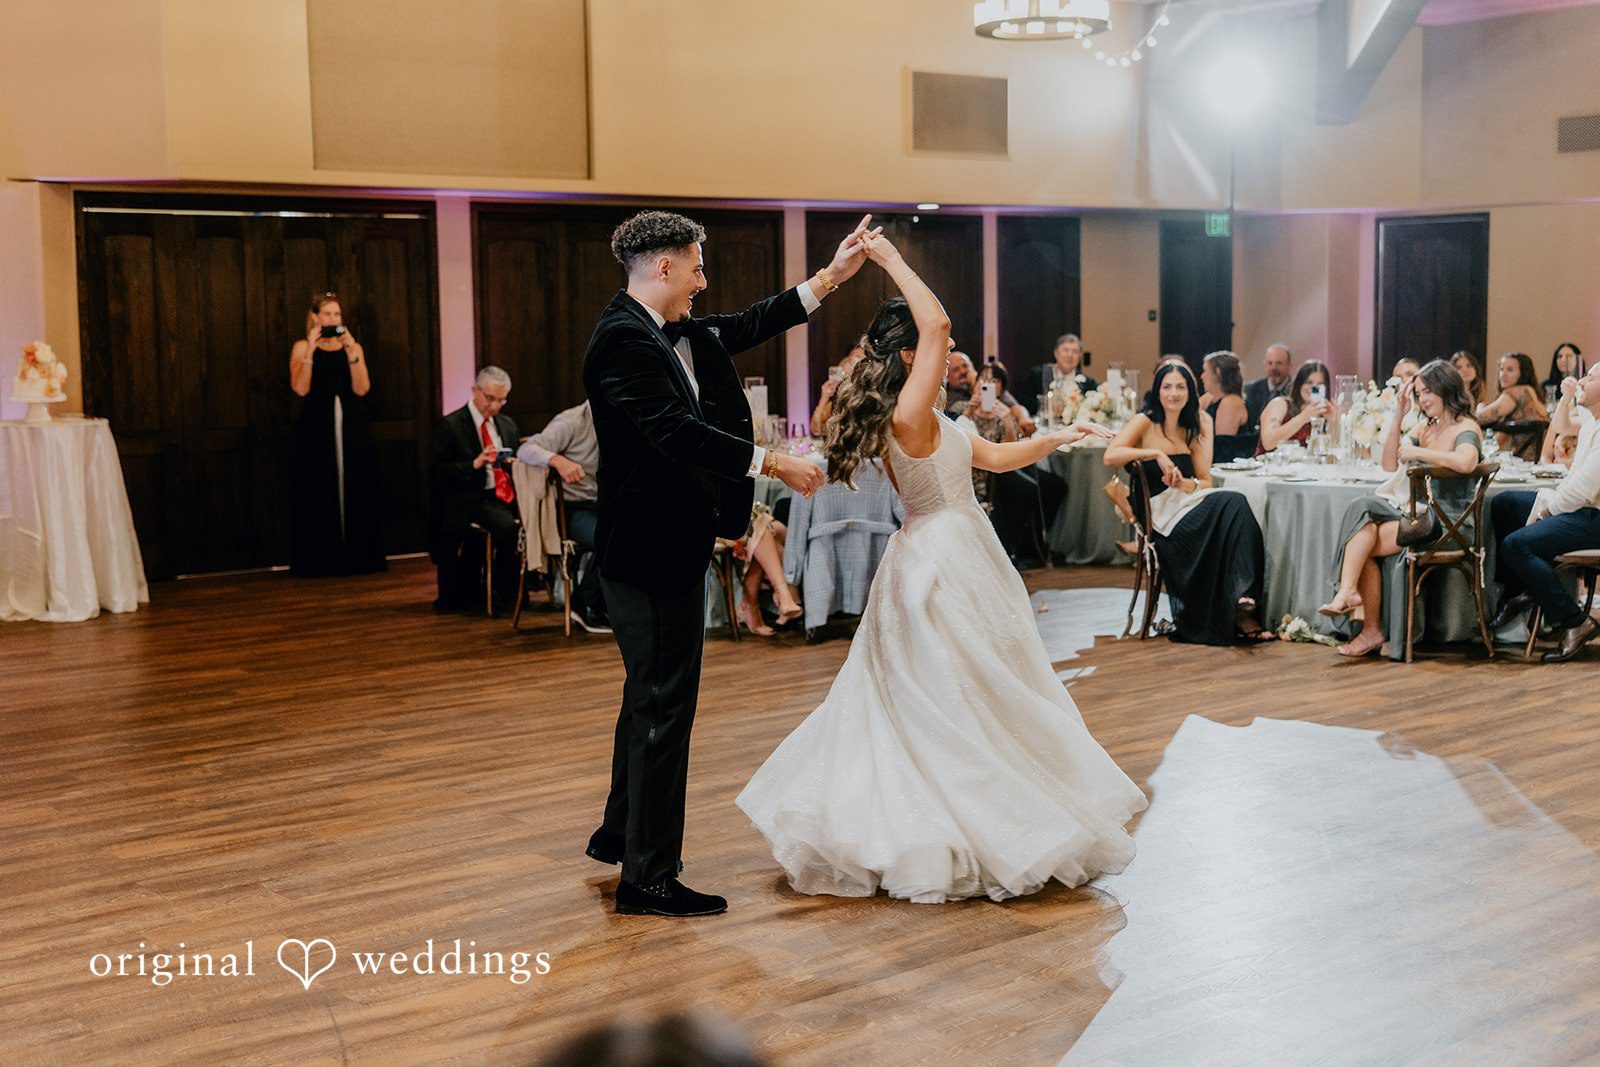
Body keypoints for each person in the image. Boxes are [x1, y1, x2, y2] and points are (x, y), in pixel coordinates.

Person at [738, 232, 1146, 904]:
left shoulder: (930, 416)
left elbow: (990, 458)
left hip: (944, 549)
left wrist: (1058, 437)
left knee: (964, 692)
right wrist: (890, 259)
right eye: (937, 352)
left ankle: (968, 814)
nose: (951, 355)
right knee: (955, 693)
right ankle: (964, 826)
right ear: (910, 355)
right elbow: (938, 321)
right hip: (943, 557)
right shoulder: (907, 413)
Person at [582, 209, 857, 918]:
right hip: (644, 553)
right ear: (664, 267)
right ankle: (648, 877)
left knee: (648, 699)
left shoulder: (677, 332)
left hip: (665, 543)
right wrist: (773, 462)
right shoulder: (621, 340)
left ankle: (621, 834)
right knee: (663, 709)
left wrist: (831, 277)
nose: (706, 283)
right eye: (698, 267)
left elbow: (753, 321)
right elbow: (675, 432)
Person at [1319, 360, 1484, 658]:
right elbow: (1389, 464)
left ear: (1444, 388)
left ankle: (1358, 610)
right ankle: (1352, 598)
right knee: (1363, 520)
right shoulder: (1425, 428)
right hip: (1421, 517)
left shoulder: (1466, 426)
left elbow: (1466, 462)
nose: (1422, 399)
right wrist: (1398, 414)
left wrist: (1420, 452)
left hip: (1452, 523)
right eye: (1419, 394)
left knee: (1362, 531)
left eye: (1426, 392)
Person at [1104, 361, 1272, 645]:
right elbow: (1111, 455)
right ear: (1158, 390)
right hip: (1159, 516)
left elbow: (1205, 480)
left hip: (1187, 502)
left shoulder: (1191, 426)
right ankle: (1233, 606)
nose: (1173, 393)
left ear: (1189, 392)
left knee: (1235, 504)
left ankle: (1243, 597)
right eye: (1167, 387)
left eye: (1180, 387)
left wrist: (1184, 483)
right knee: (1232, 505)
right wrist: (1155, 453)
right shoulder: (1145, 421)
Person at [1488, 361, 1600, 663]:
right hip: (1579, 509)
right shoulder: (1593, 421)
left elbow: (1583, 490)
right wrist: (1566, 398)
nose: (1583, 379)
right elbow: (1562, 427)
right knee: (1504, 503)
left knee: (1516, 546)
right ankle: (1518, 591)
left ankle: (1576, 622)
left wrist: (1547, 509)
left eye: (1591, 377)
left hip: (1593, 518)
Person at [288, 291, 384, 576]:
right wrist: (310, 350)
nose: (333, 320)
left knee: (355, 481)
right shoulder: (301, 347)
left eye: (337, 315)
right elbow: (301, 389)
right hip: (316, 423)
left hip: (351, 421)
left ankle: (358, 554)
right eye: (327, 314)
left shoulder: (353, 347)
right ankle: (321, 557)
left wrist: (352, 351)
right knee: (319, 482)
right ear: (315, 317)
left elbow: (362, 389)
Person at [427, 367, 521, 612]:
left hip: (503, 493)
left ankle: (517, 590)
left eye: (501, 400)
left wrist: (512, 464)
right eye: (490, 398)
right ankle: (501, 594)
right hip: (468, 496)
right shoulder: (451, 425)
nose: (495, 406)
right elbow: (436, 472)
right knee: (506, 527)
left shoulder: (507, 425)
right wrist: (474, 464)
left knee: (532, 518)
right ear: (475, 391)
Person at [517, 399, 609, 633]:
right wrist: (557, 460)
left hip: (606, 506)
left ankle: (614, 607)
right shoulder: (571, 421)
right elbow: (526, 449)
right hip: (572, 509)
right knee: (609, 541)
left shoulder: (621, 421)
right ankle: (585, 604)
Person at [1476, 352, 1549, 456]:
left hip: (1528, 463)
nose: (1503, 374)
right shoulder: (1530, 391)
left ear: (1523, 373)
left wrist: (1480, 406)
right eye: (1501, 369)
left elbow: (1481, 417)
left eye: (1510, 370)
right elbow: (1501, 437)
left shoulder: (1516, 392)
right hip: (1539, 460)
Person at [1257, 360, 1331, 453]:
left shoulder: (1325, 412)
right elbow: (1268, 443)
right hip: (1271, 465)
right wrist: (1303, 417)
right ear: (1299, 384)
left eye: (1319, 385)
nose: (1313, 388)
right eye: (1308, 382)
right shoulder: (1280, 404)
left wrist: (1333, 421)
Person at [1200, 350, 1254, 463]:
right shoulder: (1209, 397)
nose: (1202, 376)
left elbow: (1222, 449)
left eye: (1205, 371)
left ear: (1217, 373)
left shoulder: (1230, 402)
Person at [1023, 332, 1098, 403]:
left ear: (1080, 357)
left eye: (1075, 352)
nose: (1070, 355)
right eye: (1066, 350)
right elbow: (1024, 402)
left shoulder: (1088, 382)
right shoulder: (1037, 375)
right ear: (1056, 353)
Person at [810, 345, 864, 437]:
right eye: (851, 359)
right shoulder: (834, 403)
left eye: (859, 358)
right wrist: (824, 398)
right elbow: (815, 431)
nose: (853, 363)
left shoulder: (866, 400)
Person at [1242, 343, 1292, 438]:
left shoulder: (1296, 391)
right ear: (1264, 365)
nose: (1273, 368)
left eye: (1279, 363)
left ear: (1289, 365)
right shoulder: (1250, 390)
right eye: (1270, 363)